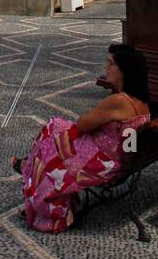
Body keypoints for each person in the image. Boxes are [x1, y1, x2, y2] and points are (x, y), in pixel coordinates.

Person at [10, 43, 150, 232]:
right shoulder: (141, 102)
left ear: (124, 70)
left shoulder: (118, 101)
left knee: (51, 133)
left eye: (110, 64)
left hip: (105, 165)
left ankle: (32, 176)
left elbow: (84, 124)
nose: (105, 68)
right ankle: (28, 166)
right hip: (121, 159)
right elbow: (128, 142)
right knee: (56, 128)